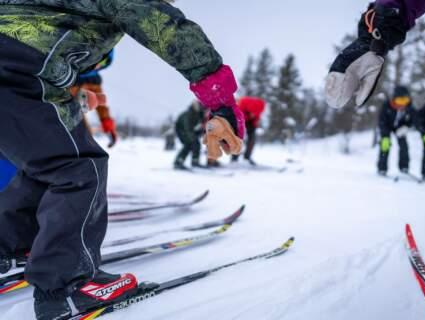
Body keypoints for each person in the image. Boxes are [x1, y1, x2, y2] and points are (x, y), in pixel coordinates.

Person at [0, 2, 244, 319]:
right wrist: (221, 100)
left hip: (19, 70)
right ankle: (67, 288)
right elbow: (161, 24)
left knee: (49, 163)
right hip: (18, 70)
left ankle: (8, 250)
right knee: (78, 169)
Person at [325, 1, 425, 318]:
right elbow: (394, 123)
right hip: (396, 130)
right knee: (391, 147)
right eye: (398, 100)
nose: (400, 102)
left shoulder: (412, 107)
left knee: (422, 149)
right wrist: (380, 23)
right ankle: (386, 166)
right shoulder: (392, 109)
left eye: (402, 100)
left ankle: (411, 167)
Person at [70, 50, 118, 148]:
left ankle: (107, 131)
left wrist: (108, 128)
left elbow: (102, 109)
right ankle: (83, 140)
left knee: (100, 104)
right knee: (76, 111)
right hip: (77, 81)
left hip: (88, 80)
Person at [377, 86, 416, 175]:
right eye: (400, 101)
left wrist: (406, 127)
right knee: (385, 145)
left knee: (404, 145)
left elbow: (414, 120)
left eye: (405, 100)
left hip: (400, 128)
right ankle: (382, 168)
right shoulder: (386, 106)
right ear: (395, 99)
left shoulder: (409, 108)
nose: (402, 104)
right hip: (386, 126)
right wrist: (385, 136)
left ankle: (404, 167)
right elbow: (382, 122)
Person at [232, 96, 266, 165]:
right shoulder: (241, 106)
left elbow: (257, 117)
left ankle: (247, 156)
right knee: (237, 137)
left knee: (252, 138)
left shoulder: (259, 107)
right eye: (252, 113)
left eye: (254, 114)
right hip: (240, 118)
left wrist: (255, 122)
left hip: (250, 121)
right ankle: (235, 156)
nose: (253, 115)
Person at [174, 101, 206, 170]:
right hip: (182, 131)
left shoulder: (200, 114)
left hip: (191, 131)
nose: (201, 107)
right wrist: (193, 138)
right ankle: (178, 162)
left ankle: (195, 161)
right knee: (188, 144)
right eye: (199, 106)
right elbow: (187, 127)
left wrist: (201, 133)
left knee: (196, 144)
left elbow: (201, 126)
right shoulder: (188, 114)